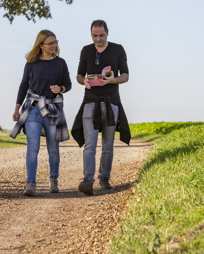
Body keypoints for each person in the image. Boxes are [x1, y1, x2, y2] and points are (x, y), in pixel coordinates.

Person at [72, 20, 131, 196]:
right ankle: (88, 181)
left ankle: (104, 179)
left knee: (107, 146)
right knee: (90, 146)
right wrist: (84, 81)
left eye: (101, 35)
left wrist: (113, 79)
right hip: (90, 102)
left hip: (111, 103)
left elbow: (126, 76)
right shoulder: (85, 50)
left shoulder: (118, 49)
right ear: (91, 34)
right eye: (94, 35)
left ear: (108, 33)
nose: (98, 39)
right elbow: (79, 75)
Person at [10, 29, 71, 196]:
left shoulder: (60, 63)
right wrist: (16, 108)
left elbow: (68, 84)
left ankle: (53, 179)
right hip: (33, 110)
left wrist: (61, 88)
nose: (54, 45)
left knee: (53, 149)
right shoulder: (31, 64)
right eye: (50, 43)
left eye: (55, 42)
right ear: (41, 45)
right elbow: (23, 86)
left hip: (52, 110)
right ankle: (30, 184)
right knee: (32, 148)